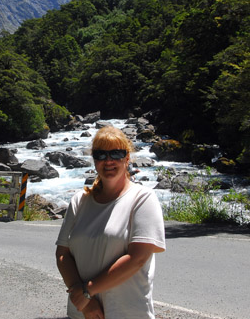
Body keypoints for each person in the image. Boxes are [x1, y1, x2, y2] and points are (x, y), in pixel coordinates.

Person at [55, 126, 166, 319]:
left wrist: (87, 292)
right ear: (94, 160)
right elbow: (62, 254)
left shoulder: (142, 198)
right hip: (81, 313)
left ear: (127, 158)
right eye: (101, 154)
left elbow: (137, 258)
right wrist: (82, 300)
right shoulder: (79, 201)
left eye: (116, 153)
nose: (108, 161)